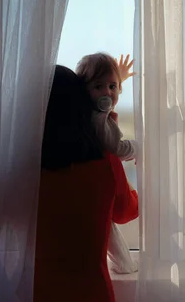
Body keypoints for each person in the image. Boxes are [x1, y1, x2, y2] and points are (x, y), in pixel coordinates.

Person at [34, 65, 139, 302]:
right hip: (92, 291)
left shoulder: (23, 172)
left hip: (39, 290)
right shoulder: (103, 161)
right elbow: (125, 211)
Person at [75, 52, 139, 274]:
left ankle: (123, 263)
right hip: (97, 182)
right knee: (105, 227)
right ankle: (124, 264)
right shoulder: (99, 119)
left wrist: (118, 78)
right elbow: (115, 147)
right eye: (99, 87)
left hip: (93, 181)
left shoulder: (90, 114)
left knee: (105, 226)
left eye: (113, 87)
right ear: (85, 91)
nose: (108, 93)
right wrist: (139, 147)